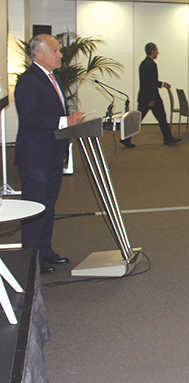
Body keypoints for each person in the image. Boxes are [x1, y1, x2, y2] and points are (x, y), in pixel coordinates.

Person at [14, 34, 85, 273]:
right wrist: (66, 121)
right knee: (35, 209)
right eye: (55, 50)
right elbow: (31, 118)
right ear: (38, 54)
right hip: (35, 158)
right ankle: (31, 261)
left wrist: (68, 121)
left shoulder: (51, 78)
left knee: (48, 206)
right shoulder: (28, 81)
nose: (60, 54)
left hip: (52, 155)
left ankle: (45, 252)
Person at [128, 42, 180, 147]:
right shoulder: (151, 64)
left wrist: (162, 84)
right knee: (160, 118)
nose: (158, 52)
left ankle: (168, 138)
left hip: (145, 96)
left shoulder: (144, 63)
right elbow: (150, 83)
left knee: (146, 118)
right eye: (156, 50)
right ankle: (168, 138)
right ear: (152, 51)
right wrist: (151, 99)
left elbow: (150, 81)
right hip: (151, 97)